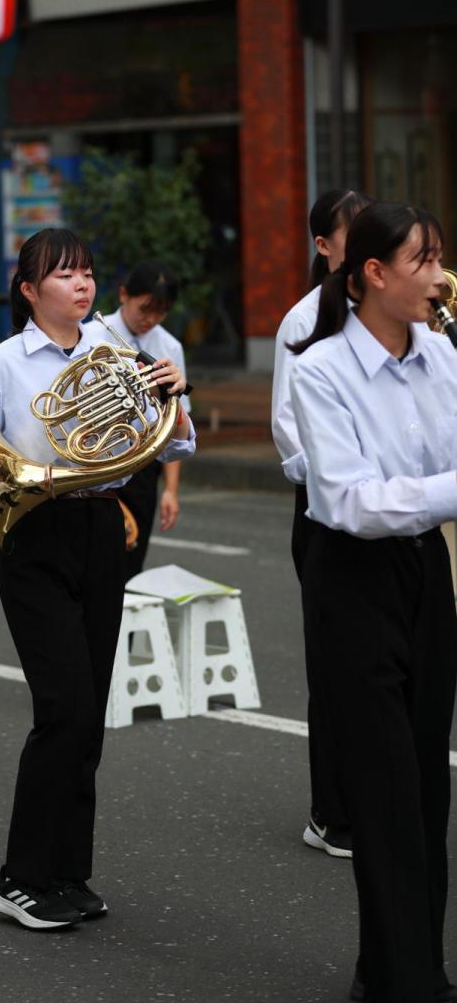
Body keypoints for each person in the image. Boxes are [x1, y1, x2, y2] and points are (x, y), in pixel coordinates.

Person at [0, 229, 195, 930]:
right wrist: (18, 475)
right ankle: (18, 878)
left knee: (89, 714)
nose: (81, 283)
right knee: (63, 706)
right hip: (34, 533)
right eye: (64, 273)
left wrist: (173, 394)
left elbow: (176, 439)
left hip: (102, 530)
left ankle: (67, 872)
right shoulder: (0, 365)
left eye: (87, 272)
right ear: (28, 289)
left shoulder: (119, 356)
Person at [288, 203, 457, 1003]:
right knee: (386, 790)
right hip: (352, 579)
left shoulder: (441, 353)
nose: (437, 275)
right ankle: (404, 981)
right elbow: (350, 501)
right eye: (421, 260)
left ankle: (405, 963)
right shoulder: (320, 368)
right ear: (373, 275)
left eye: (438, 258)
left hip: (426, 570)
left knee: (427, 786)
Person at [271, 188, 374, 858]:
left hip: (395, 514)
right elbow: (288, 429)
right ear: (324, 246)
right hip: (327, 511)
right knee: (336, 666)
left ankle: (378, 797)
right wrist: (346, 480)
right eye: (355, 235)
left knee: (388, 671)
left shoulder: (398, 318)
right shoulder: (303, 320)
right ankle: (329, 811)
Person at [102, 261, 191, 580]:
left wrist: (171, 490)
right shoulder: (93, 335)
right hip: (100, 460)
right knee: (97, 561)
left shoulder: (169, 346)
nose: (151, 319)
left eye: (161, 312)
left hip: (143, 467)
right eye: (145, 309)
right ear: (124, 295)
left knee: (131, 557)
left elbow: (176, 419)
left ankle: (124, 628)